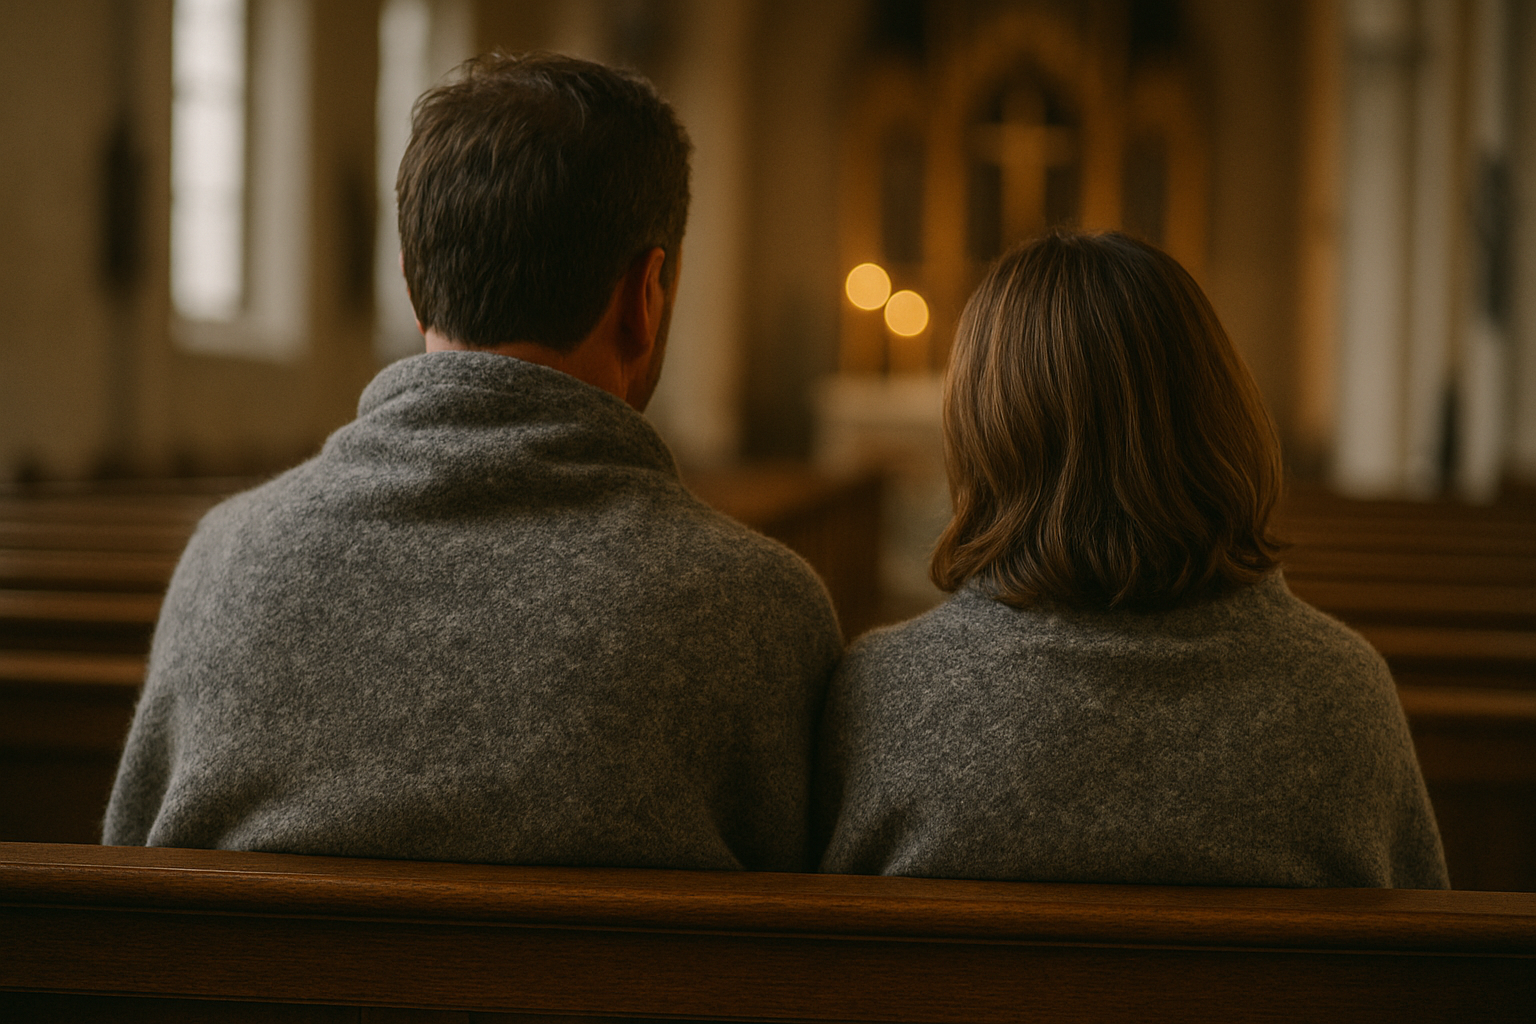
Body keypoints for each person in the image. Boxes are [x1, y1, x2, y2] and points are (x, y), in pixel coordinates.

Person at [104, 53, 842, 870]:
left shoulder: (221, 561)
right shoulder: (763, 613)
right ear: (647, 296)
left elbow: (122, 890)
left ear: (414, 287)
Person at [816, 231, 1448, 888]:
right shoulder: (1341, 694)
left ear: (982, 426)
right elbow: (1429, 970)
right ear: (1217, 412)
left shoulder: (887, 694)